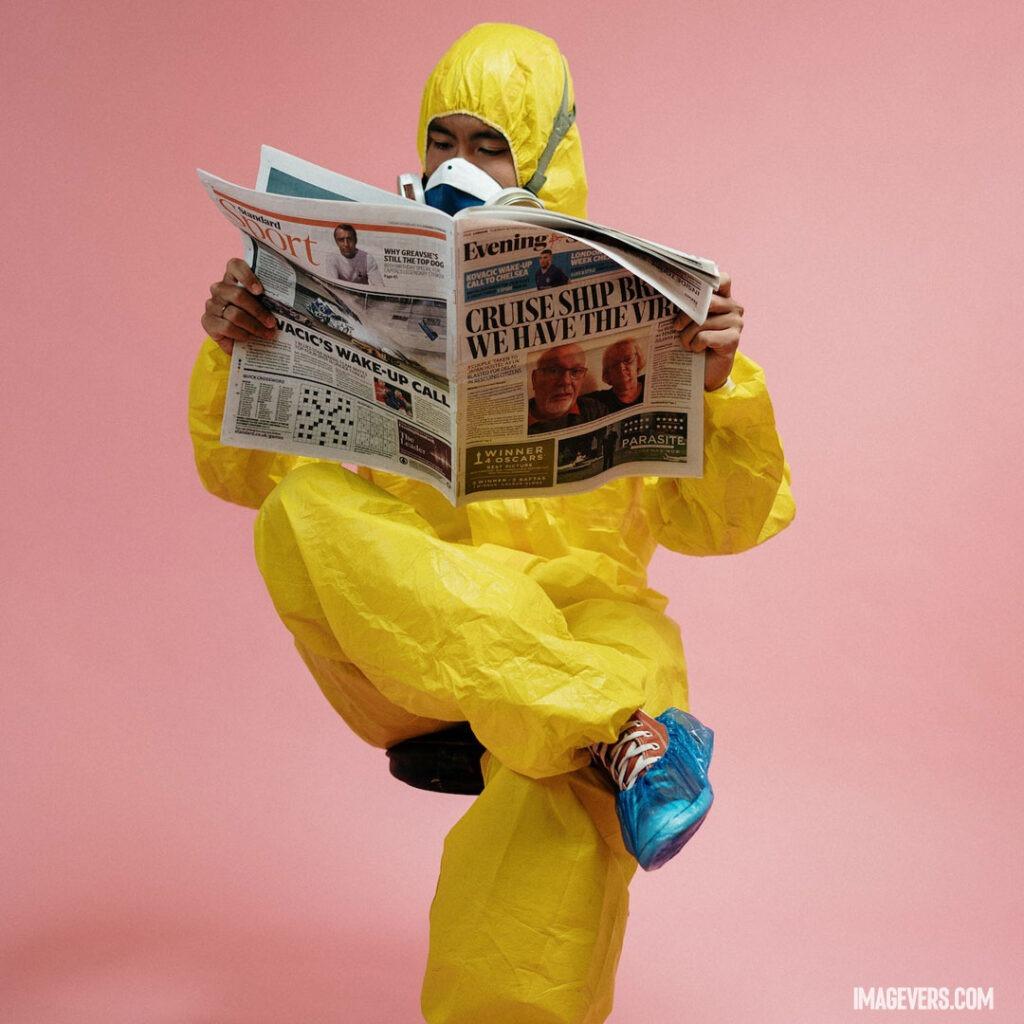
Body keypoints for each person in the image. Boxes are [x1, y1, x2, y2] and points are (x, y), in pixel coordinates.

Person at [192, 23, 794, 1024]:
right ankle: (617, 733)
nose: (457, 167)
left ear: (553, 154)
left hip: (588, 627)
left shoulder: (642, 307)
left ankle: (593, 741)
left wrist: (720, 384)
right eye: (443, 140)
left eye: (492, 146)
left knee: (555, 802)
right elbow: (245, 477)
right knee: (302, 505)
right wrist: (238, 348)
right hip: (424, 635)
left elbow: (723, 522)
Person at [527, 342, 604, 434]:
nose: (566, 381)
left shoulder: (595, 410)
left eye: (575, 371)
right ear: (535, 379)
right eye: (553, 370)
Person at [595, 336, 645, 411]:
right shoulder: (600, 401)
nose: (621, 368)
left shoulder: (652, 382)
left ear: (638, 361)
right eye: (614, 364)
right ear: (608, 374)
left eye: (628, 359)